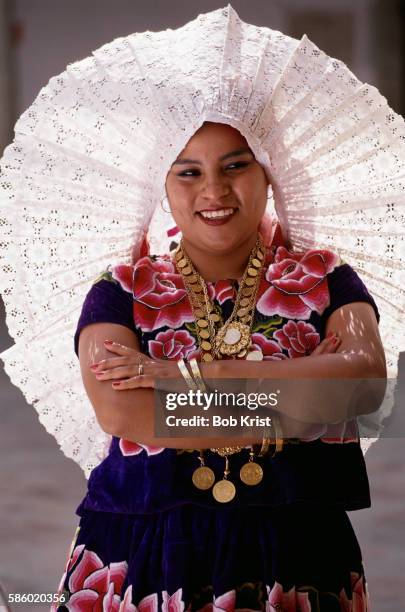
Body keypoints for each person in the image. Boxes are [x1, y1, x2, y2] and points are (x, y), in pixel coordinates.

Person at [51, 120, 386, 611]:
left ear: (270, 174)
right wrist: (299, 408)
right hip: (144, 550)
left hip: (298, 552)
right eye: (188, 172)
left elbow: (363, 385)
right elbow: (123, 413)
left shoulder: (324, 277)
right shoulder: (121, 290)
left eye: (235, 165)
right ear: (160, 186)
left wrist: (182, 377)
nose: (213, 189)